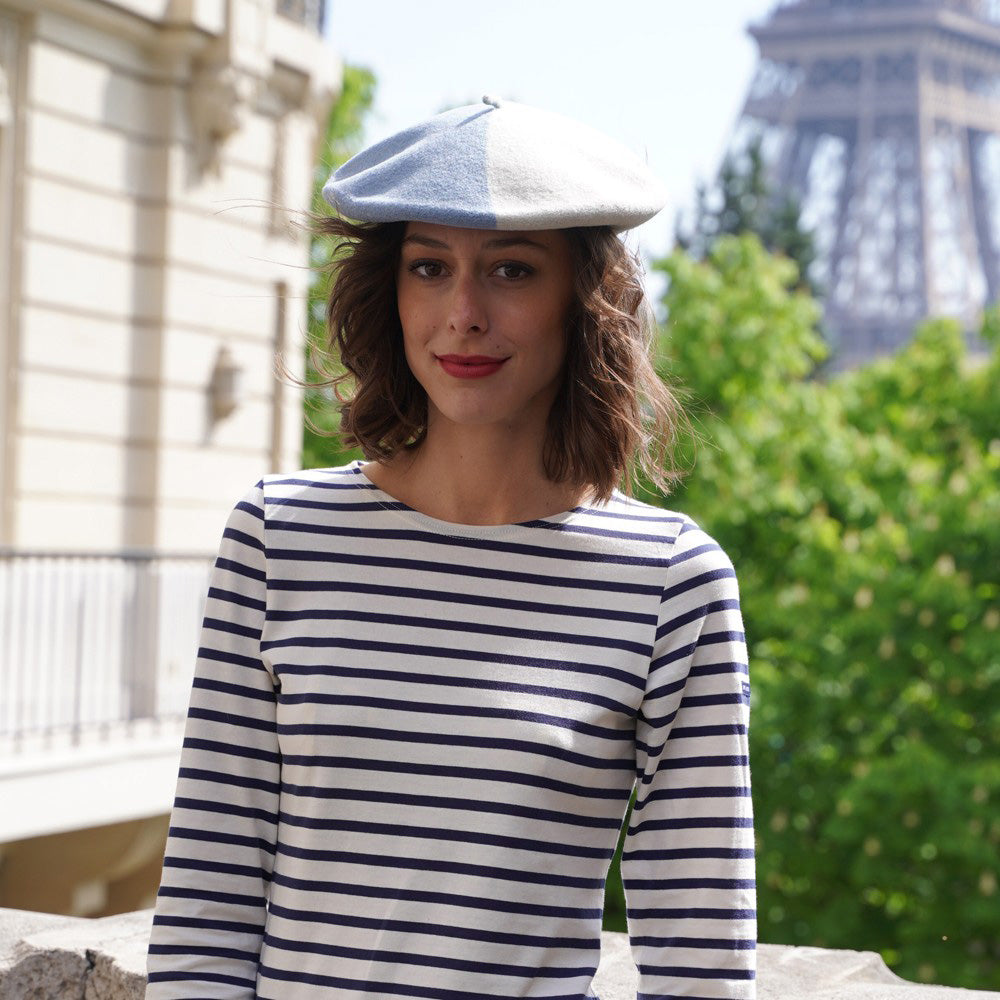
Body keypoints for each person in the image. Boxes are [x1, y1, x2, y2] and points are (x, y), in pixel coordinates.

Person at [145, 97, 756, 1000]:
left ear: (587, 300)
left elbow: (699, 961)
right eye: (430, 267)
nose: (463, 313)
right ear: (391, 294)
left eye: (511, 270)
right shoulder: (278, 539)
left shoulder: (671, 583)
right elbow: (209, 900)